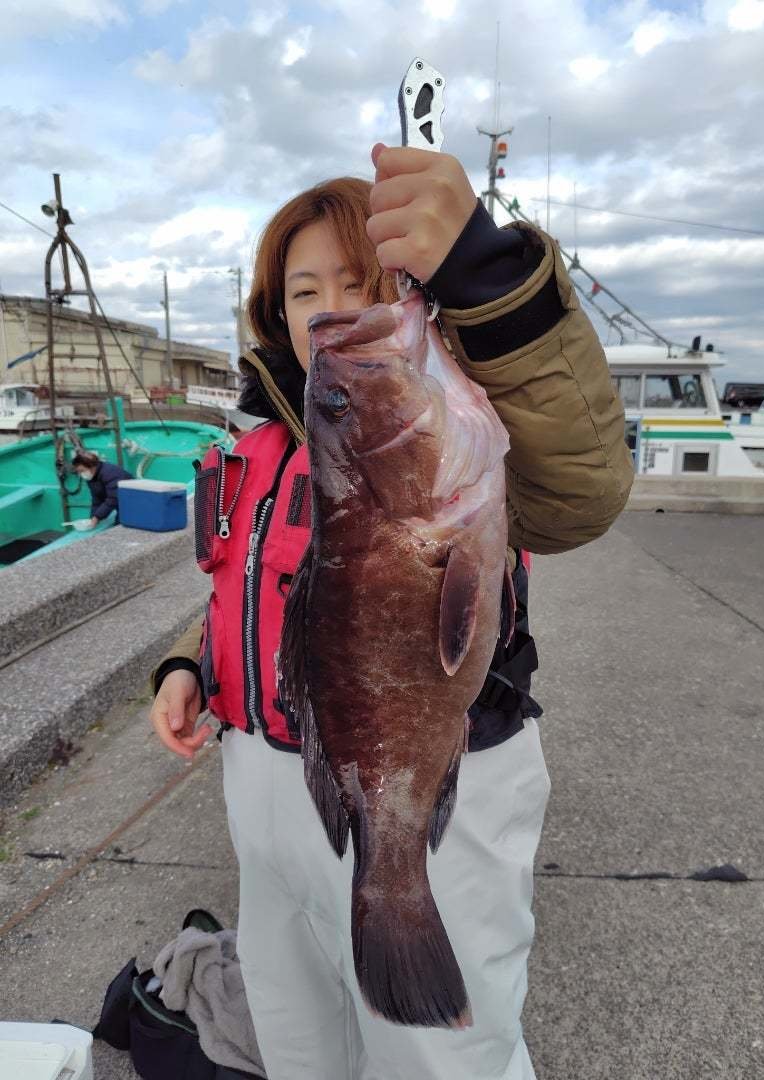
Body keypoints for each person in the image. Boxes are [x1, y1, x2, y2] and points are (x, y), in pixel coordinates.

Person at [150, 143, 634, 1080]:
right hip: (265, 795)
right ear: (275, 314)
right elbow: (256, 591)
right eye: (303, 290)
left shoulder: (469, 441)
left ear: (413, 286)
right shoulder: (262, 444)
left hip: (427, 773)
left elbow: (582, 485)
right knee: (295, 1033)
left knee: (442, 1058)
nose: (331, 306)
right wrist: (189, 665)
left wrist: (482, 272)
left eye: (358, 279)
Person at [71, 449, 133, 527]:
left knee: (122, 525)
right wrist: (93, 517)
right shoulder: (91, 477)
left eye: (82, 470)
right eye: (78, 472)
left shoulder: (110, 473)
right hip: (120, 503)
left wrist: (97, 517)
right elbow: (97, 499)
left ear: (92, 466)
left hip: (131, 502)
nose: (81, 474)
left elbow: (113, 499)